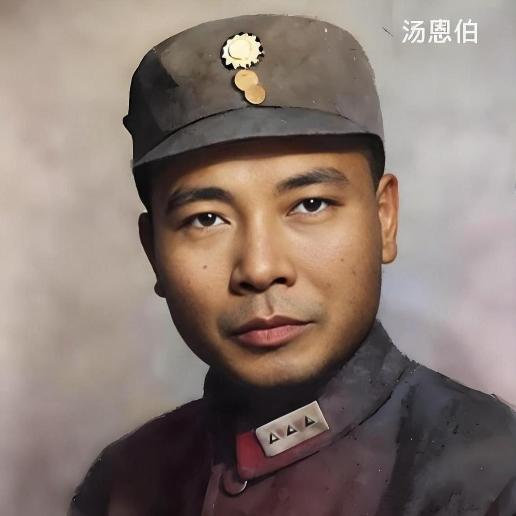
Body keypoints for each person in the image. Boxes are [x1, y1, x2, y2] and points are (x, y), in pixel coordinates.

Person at [68, 14, 516, 516]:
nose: (260, 268)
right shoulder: (121, 482)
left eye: (310, 204)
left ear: (384, 219)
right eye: (207, 218)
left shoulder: (492, 476)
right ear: (153, 251)